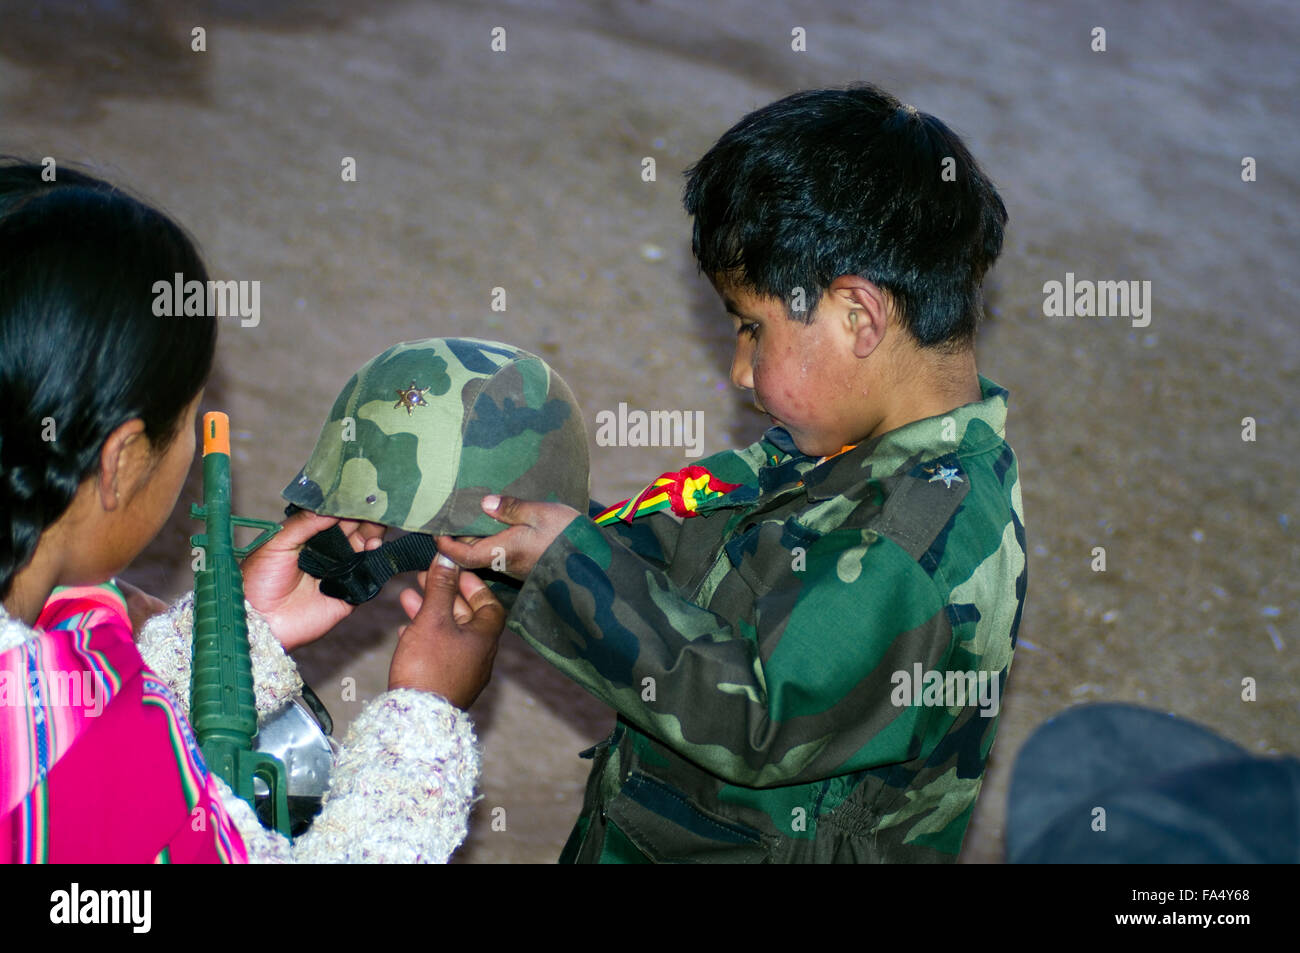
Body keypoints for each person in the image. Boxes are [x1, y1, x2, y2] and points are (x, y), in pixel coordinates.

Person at [436, 84, 1028, 862]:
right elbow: (699, 552)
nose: (742, 373)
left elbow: (758, 715)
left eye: (752, 329)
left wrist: (568, 570)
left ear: (859, 316)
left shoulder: (913, 547)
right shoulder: (840, 446)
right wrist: (516, 538)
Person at [0, 160, 505, 863]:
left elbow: (63, 699)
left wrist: (238, 636)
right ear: (119, 461)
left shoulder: (53, 651)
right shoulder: (94, 758)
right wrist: (425, 718)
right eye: (190, 413)